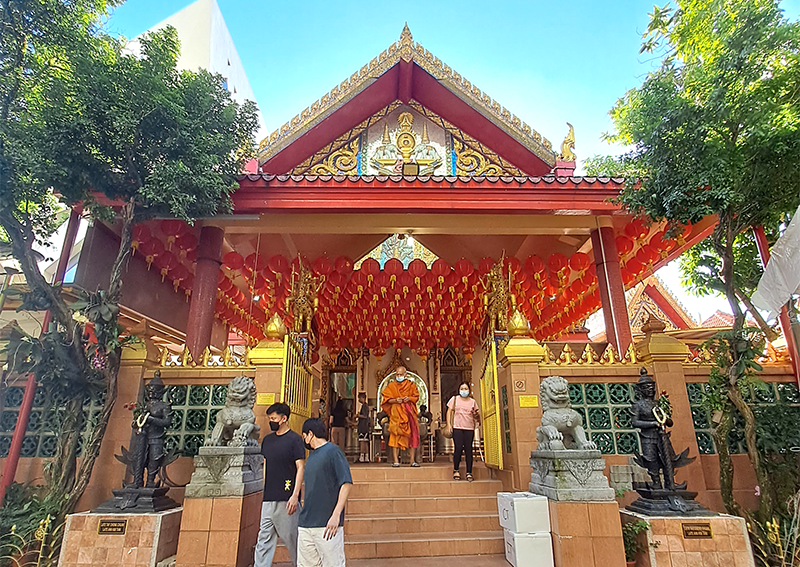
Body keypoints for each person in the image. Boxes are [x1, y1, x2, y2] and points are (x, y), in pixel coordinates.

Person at [255, 403, 305, 567]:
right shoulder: (267, 440)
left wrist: (295, 495)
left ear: (284, 419)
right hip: (268, 498)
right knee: (264, 539)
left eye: (274, 418)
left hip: (287, 499)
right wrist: (264, 487)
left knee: (292, 539)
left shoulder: (295, 440)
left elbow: (300, 468)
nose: (271, 421)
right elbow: (265, 464)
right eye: (270, 418)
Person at [298, 418, 353, 567]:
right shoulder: (312, 456)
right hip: (306, 522)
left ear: (310, 434)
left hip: (327, 524)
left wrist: (336, 515)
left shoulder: (333, 452)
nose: (304, 440)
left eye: (304, 436)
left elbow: (346, 483)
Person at [380, 365, 420, 467]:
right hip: (396, 414)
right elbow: (386, 399)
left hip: (409, 413)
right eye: (397, 374)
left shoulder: (411, 385)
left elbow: (416, 397)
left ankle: (412, 461)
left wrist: (409, 398)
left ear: (405, 375)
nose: (399, 376)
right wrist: (395, 400)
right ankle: (396, 461)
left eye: (401, 374)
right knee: (395, 436)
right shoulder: (391, 386)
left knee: (412, 436)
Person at [447, 382, 480, 482]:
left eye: (466, 388)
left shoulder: (472, 402)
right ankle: (456, 470)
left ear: (469, 390)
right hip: (457, 428)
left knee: (468, 450)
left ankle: (469, 472)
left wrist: (477, 416)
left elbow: (476, 415)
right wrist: (449, 425)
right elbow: (449, 412)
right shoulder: (454, 399)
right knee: (458, 449)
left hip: (469, 428)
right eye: (462, 388)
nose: (464, 390)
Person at [356, 392, 370, 463]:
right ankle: (366, 456)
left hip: (363, 426)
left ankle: (362, 456)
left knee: (362, 441)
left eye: (360, 398)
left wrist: (358, 415)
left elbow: (364, 416)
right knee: (365, 442)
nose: (359, 399)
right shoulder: (366, 406)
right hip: (365, 426)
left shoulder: (364, 407)